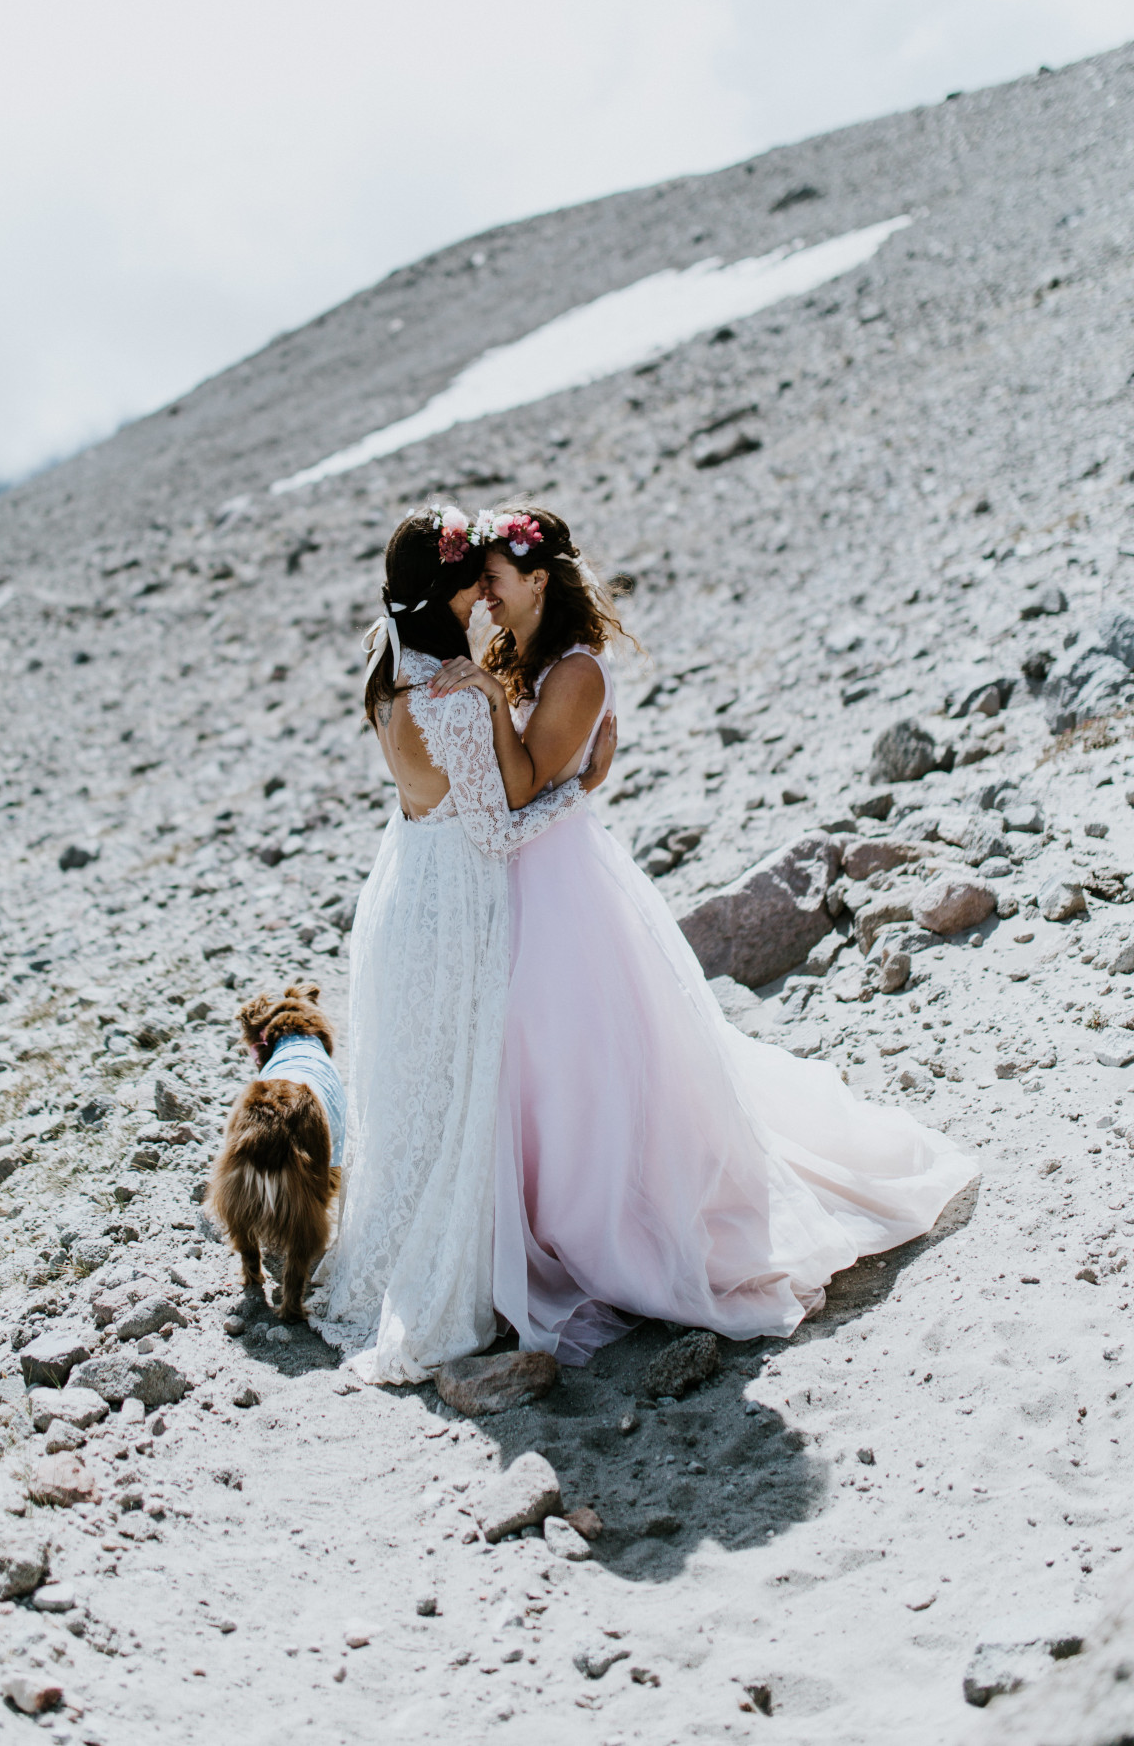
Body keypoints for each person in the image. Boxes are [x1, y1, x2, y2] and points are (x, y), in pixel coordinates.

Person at [430, 505, 976, 1363]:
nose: (486, 600)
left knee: (570, 1056)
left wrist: (492, 700)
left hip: (560, 883)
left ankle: (602, 1230)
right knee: (536, 1060)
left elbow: (527, 786)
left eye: (493, 582)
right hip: (521, 882)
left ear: (537, 580)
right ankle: (535, 1222)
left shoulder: (573, 673)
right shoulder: (519, 656)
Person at [315, 505, 614, 1383]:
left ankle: (389, 1251)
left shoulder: (389, 654)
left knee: (417, 1092)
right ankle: (450, 1278)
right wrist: (583, 786)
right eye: (472, 583)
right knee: (459, 1098)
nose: (485, 596)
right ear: (448, 593)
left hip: (403, 885)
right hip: (454, 901)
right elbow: (499, 829)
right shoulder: (447, 699)